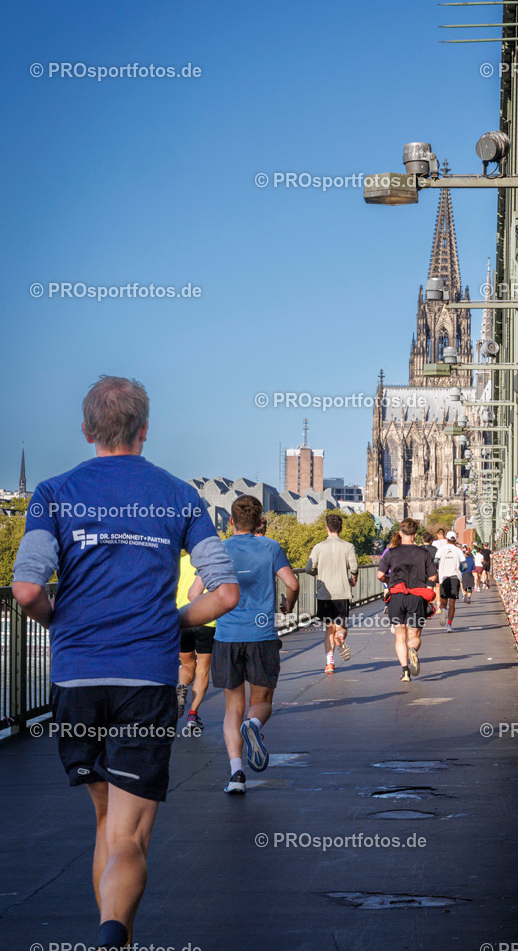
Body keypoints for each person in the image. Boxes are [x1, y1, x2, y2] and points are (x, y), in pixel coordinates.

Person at [11, 376, 240, 951]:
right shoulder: (179, 496)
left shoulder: (53, 492)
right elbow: (226, 593)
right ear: (144, 430)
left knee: (104, 824)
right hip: (146, 677)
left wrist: (63, 623)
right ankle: (117, 938)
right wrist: (176, 622)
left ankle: (117, 939)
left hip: (76, 680)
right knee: (128, 840)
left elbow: (26, 590)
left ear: (87, 431)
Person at [205, 494, 299, 795]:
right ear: (260, 522)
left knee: (233, 707)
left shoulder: (219, 550)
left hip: (226, 637)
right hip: (261, 638)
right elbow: (293, 584)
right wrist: (288, 604)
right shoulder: (271, 547)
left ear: (230, 521)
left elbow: (198, 590)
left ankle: (236, 775)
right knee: (262, 703)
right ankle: (255, 726)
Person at [377, 518, 437, 683]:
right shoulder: (423, 553)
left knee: (399, 635)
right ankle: (413, 649)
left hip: (397, 597)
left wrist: (390, 582)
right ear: (415, 534)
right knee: (414, 633)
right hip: (416, 597)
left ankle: (405, 672)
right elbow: (432, 576)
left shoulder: (391, 552)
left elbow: (380, 575)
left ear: (400, 533)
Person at [305, 513, 358, 674]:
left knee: (329, 629)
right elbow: (354, 568)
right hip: (342, 592)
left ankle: (329, 663)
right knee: (341, 627)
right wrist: (353, 579)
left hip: (324, 594)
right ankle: (340, 637)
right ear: (341, 529)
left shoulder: (318, 547)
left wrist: (319, 574)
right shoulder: (348, 546)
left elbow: (309, 568)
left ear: (327, 528)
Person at [176, 552, 216, 733]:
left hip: (183, 617)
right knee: (202, 669)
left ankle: (181, 687)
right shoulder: (213, 560)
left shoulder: (179, 562)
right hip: (207, 620)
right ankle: (192, 714)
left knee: (186, 664)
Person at [435, 532, 466, 632]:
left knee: (443, 601)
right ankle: (449, 625)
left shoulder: (441, 550)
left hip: (443, 577)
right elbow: (465, 565)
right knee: (452, 603)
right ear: (455, 540)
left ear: (446, 539)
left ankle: (443, 610)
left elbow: (435, 561)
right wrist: (459, 570)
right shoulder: (459, 551)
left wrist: (439, 567)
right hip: (455, 577)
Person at [431, 528, 449, 616]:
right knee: (446, 585)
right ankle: (445, 604)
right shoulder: (447, 543)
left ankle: (438, 606)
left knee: (437, 586)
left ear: (437, 535)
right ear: (444, 534)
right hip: (447, 566)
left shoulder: (434, 543)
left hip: (438, 567)